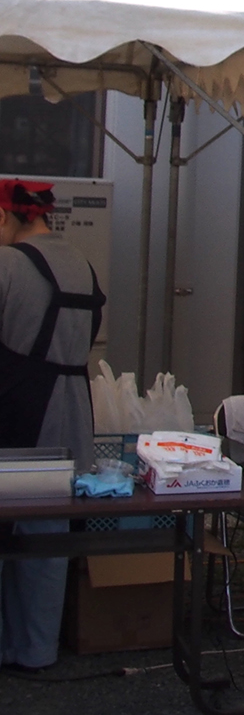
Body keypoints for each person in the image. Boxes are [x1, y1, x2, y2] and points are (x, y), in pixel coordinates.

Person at [0, 179, 104, 671]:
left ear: (6, 218)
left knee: (9, 528)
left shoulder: (7, 264)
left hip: (18, 410)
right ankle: (38, 648)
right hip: (71, 409)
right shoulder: (80, 263)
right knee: (49, 533)